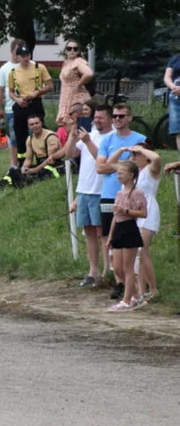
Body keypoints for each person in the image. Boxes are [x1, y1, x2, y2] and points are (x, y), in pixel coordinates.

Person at [95, 103, 146, 301]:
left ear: (129, 118)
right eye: (114, 116)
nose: (117, 119)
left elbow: (140, 166)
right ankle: (119, 281)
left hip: (132, 194)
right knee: (110, 235)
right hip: (109, 193)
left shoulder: (140, 139)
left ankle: (136, 283)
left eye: (121, 116)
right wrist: (121, 165)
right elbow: (100, 168)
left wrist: (116, 167)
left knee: (133, 237)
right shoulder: (107, 140)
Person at [65, 105, 111, 286]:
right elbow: (70, 153)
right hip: (84, 189)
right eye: (95, 117)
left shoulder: (110, 137)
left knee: (103, 233)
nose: (97, 120)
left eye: (101, 117)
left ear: (108, 119)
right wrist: (72, 135)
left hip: (101, 190)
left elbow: (103, 160)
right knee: (89, 232)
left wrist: (87, 142)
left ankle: (108, 270)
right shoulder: (88, 134)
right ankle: (93, 270)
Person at [0, 114, 63, 197]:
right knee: (13, 171)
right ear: (28, 126)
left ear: (41, 123)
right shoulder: (30, 139)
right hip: (41, 167)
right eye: (32, 124)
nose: (34, 126)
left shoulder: (50, 137)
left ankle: (18, 184)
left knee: (28, 177)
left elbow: (51, 160)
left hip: (54, 168)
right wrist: (24, 167)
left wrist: (34, 170)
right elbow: (29, 159)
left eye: (37, 123)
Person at [104, 160, 146, 311]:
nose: (118, 176)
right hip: (118, 229)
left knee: (128, 268)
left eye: (121, 173)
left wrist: (126, 211)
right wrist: (110, 236)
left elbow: (143, 213)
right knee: (117, 268)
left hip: (129, 229)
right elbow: (115, 216)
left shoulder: (137, 193)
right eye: (117, 173)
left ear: (131, 175)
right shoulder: (119, 193)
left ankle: (127, 300)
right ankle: (136, 296)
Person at [121, 144, 161, 304]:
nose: (134, 157)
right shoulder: (134, 176)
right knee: (137, 253)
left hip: (149, 212)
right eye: (132, 155)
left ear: (145, 156)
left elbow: (157, 158)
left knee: (143, 251)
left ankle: (153, 289)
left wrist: (140, 148)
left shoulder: (151, 171)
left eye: (137, 154)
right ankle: (141, 291)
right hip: (135, 214)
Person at [7, 45, 53, 163]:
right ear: (17, 57)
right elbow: (11, 91)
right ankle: (23, 163)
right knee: (20, 134)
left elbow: (49, 85)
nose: (25, 58)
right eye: (22, 56)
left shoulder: (39, 67)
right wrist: (17, 100)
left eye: (27, 55)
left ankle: (43, 159)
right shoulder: (13, 72)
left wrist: (37, 92)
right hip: (21, 104)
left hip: (35, 103)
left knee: (39, 131)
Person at [0, 39, 25, 168]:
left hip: (28, 107)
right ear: (12, 51)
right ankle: (14, 164)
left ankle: (27, 163)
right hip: (11, 109)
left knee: (29, 136)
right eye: (18, 50)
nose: (21, 53)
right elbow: (0, 90)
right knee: (13, 138)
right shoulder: (4, 69)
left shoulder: (30, 65)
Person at [56, 41, 94, 134]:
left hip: (77, 97)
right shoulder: (66, 63)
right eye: (69, 48)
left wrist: (79, 84)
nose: (72, 51)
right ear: (65, 50)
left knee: (80, 128)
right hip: (66, 97)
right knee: (69, 129)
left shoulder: (78, 62)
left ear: (78, 51)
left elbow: (89, 73)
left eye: (75, 49)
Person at [164, 52, 180, 151]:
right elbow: (167, 77)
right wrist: (173, 87)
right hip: (175, 99)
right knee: (179, 130)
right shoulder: (175, 59)